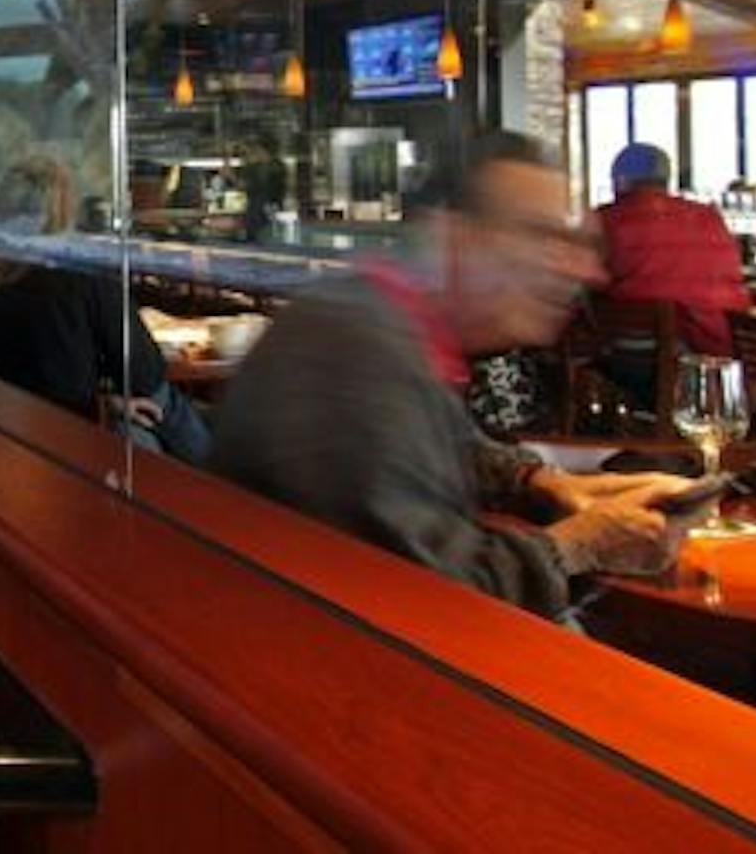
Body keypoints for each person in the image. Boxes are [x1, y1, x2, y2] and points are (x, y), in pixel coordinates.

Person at [211, 132, 693, 619]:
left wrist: (542, 481)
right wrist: (577, 548)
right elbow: (432, 605)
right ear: (450, 238)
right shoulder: (356, 354)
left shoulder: (382, 319)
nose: (590, 271)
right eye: (546, 237)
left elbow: (437, 444)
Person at [0, 159, 211, 464]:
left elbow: (17, 381)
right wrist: (104, 402)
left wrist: (106, 401)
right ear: (63, 212)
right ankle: (224, 488)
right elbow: (144, 373)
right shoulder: (80, 274)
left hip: (0, 434)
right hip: (69, 442)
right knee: (163, 403)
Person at [592, 143, 749, 356]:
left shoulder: (605, 220)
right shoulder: (709, 217)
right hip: (717, 351)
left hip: (636, 356)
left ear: (620, 182)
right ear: (666, 181)